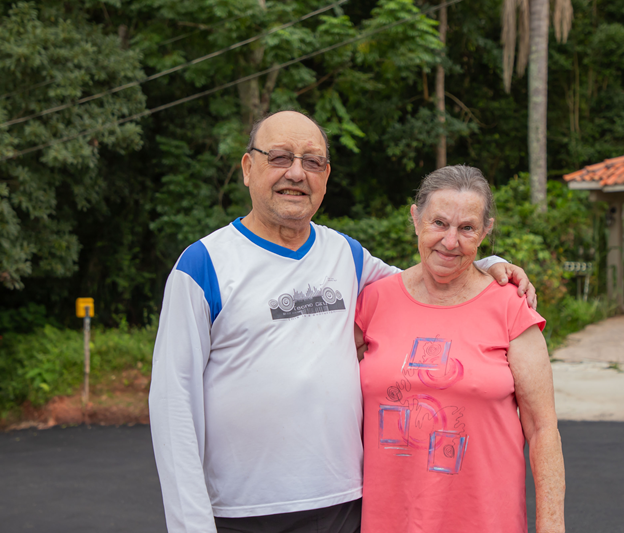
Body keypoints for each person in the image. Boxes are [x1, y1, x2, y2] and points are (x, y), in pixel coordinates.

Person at [149, 110, 537, 533]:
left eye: (312, 161)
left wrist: (487, 263)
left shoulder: (346, 256)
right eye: (280, 157)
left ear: (326, 175)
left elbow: (430, 284)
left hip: (345, 507)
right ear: (247, 168)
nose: (296, 173)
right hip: (241, 513)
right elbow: (172, 404)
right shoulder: (203, 265)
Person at [354, 165, 565, 533]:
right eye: (439, 223)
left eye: (466, 228)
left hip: (485, 520)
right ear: (415, 219)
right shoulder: (373, 301)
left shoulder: (511, 308)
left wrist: (551, 526)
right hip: (386, 521)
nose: (450, 242)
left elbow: (542, 428)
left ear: (485, 231)